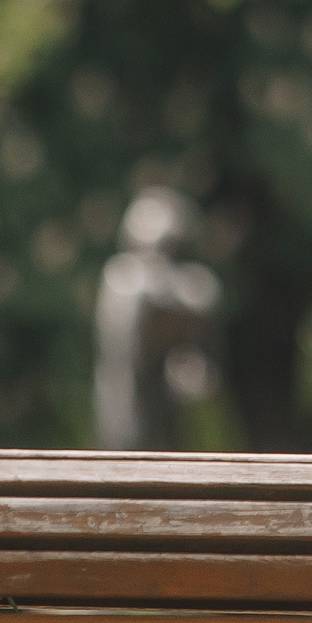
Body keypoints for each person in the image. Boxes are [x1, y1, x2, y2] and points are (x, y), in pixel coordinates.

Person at [92, 188, 220, 451]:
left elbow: (202, 306)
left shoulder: (190, 283)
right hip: (127, 406)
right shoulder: (122, 278)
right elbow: (125, 344)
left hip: (171, 413)